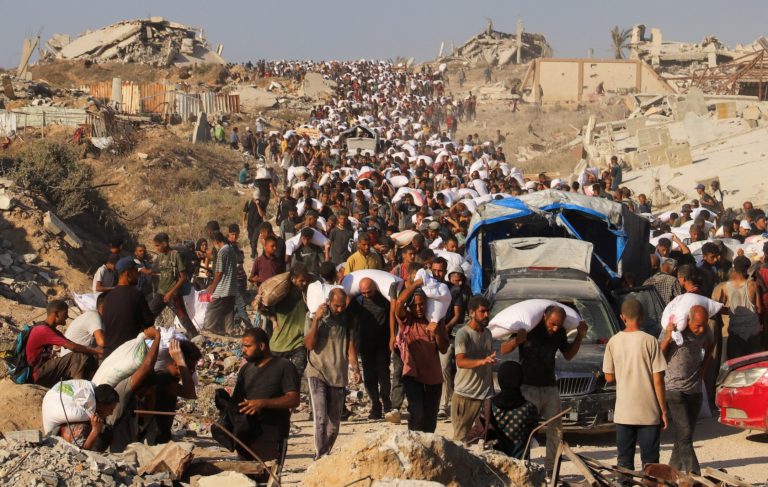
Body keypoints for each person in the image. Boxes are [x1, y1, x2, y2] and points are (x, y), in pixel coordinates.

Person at [499, 305, 588, 473]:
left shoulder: (559, 332)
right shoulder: (529, 328)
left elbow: (568, 355)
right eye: (552, 324)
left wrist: (580, 337)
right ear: (544, 317)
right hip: (527, 387)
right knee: (524, 430)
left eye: (558, 325)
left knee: (556, 431)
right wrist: (517, 340)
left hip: (550, 387)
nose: (555, 328)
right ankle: (523, 469)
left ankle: (551, 471)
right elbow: (503, 349)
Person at [214, 328, 300, 462]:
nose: (244, 350)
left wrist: (262, 403)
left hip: (271, 436)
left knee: (268, 478)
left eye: (248, 346)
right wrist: (225, 403)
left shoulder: (284, 366)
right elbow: (238, 401)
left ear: (261, 346)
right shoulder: (246, 369)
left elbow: (293, 399)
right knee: (248, 479)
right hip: (246, 436)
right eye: (243, 346)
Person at [603, 299, 668, 472]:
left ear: (622, 317)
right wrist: (663, 410)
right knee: (651, 462)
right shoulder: (651, 341)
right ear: (643, 317)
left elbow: (608, 377)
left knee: (624, 460)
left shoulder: (613, 342)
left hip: (624, 412)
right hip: (649, 412)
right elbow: (658, 380)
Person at [305, 288, 360, 458]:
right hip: (317, 371)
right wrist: (316, 321)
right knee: (320, 419)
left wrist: (355, 368)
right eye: (336, 306)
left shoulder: (348, 318)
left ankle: (325, 454)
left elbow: (350, 345)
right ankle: (320, 455)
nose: (339, 309)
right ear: (329, 302)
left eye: (342, 306)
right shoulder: (313, 316)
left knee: (334, 425)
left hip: (338, 375)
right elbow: (309, 344)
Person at [659, 305, 714, 474]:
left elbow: (711, 345)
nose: (702, 328)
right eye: (698, 324)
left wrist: (703, 370)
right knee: (685, 433)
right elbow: (657, 354)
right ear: (688, 320)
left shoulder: (705, 331)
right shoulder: (675, 330)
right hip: (674, 389)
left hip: (694, 390)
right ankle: (695, 475)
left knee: (685, 436)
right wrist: (668, 337)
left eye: (704, 324)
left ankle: (670, 472)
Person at [395, 278, 449, 433]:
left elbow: (444, 349)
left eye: (421, 304)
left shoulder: (435, 320)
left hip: (433, 377)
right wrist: (415, 285)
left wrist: (437, 331)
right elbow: (399, 304)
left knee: (430, 419)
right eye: (415, 305)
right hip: (412, 375)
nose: (418, 308)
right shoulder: (408, 320)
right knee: (416, 411)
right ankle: (414, 443)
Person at [26, 300, 102, 387]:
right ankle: (78, 391)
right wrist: (96, 351)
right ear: (56, 313)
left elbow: (71, 343)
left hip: (41, 371)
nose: (67, 317)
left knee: (87, 357)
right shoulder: (43, 330)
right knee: (79, 356)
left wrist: (93, 352)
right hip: (34, 374)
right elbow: (73, 347)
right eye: (65, 313)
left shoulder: (50, 329)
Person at [452, 295, 495, 443]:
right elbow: (461, 361)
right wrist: (482, 361)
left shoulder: (488, 333)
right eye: (482, 311)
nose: (486, 315)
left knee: (485, 441)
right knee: (460, 441)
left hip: (485, 396)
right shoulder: (463, 334)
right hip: (466, 396)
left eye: (488, 311)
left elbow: (488, 359)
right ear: (471, 312)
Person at [351, 277, 392, 419]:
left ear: (375, 288)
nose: (367, 295)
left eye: (369, 292)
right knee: (369, 378)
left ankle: (387, 403)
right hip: (365, 345)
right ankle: (375, 405)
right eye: (364, 292)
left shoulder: (384, 300)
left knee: (384, 375)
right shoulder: (357, 302)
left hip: (382, 344)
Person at [101, 257, 155, 356]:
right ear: (127, 273)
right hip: (127, 353)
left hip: (108, 353)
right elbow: (149, 322)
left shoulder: (108, 297)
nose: (138, 274)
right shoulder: (136, 294)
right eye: (135, 271)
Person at [148, 233, 198, 338]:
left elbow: (183, 277)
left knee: (183, 317)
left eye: (158, 245)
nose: (156, 248)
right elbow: (155, 271)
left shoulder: (175, 256)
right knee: (149, 315)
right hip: (161, 293)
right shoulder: (160, 256)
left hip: (173, 294)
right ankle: (143, 336)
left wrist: (171, 293)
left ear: (165, 244)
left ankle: (196, 338)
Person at [490, 361, 538, 460]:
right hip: (520, 469)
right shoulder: (530, 408)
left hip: (495, 467)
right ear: (520, 380)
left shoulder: (488, 406)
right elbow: (533, 434)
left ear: (500, 379)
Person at [269, 264, 310, 378]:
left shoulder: (306, 293)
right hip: (279, 344)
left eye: (306, 280)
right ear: (293, 279)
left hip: (298, 343)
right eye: (301, 280)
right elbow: (262, 305)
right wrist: (273, 320)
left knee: (295, 379)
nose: (304, 283)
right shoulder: (282, 293)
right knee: (275, 379)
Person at [52, 383, 120, 451]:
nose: (111, 413)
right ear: (100, 407)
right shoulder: (83, 425)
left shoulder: (82, 412)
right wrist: (95, 431)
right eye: (110, 409)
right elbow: (77, 453)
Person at [721, 256, 762, 359]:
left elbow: (720, 308)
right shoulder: (753, 285)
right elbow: (759, 309)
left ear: (734, 268)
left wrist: (732, 311)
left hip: (735, 332)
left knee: (736, 366)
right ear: (748, 269)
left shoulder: (726, 287)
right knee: (754, 365)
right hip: (753, 332)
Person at [204, 232, 238, 335]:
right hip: (231, 287)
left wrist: (213, 286)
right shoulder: (231, 249)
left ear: (216, 241)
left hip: (222, 288)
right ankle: (228, 331)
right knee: (228, 312)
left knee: (212, 308)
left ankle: (208, 330)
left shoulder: (222, 252)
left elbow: (219, 272)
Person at [243, 190, 266, 258]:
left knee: (254, 239)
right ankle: (255, 252)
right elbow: (244, 213)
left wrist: (258, 205)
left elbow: (262, 215)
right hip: (250, 225)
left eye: (257, 198)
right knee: (251, 240)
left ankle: (253, 255)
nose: (256, 199)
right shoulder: (249, 202)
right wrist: (244, 223)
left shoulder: (262, 203)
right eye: (255, 198)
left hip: (258, 225)